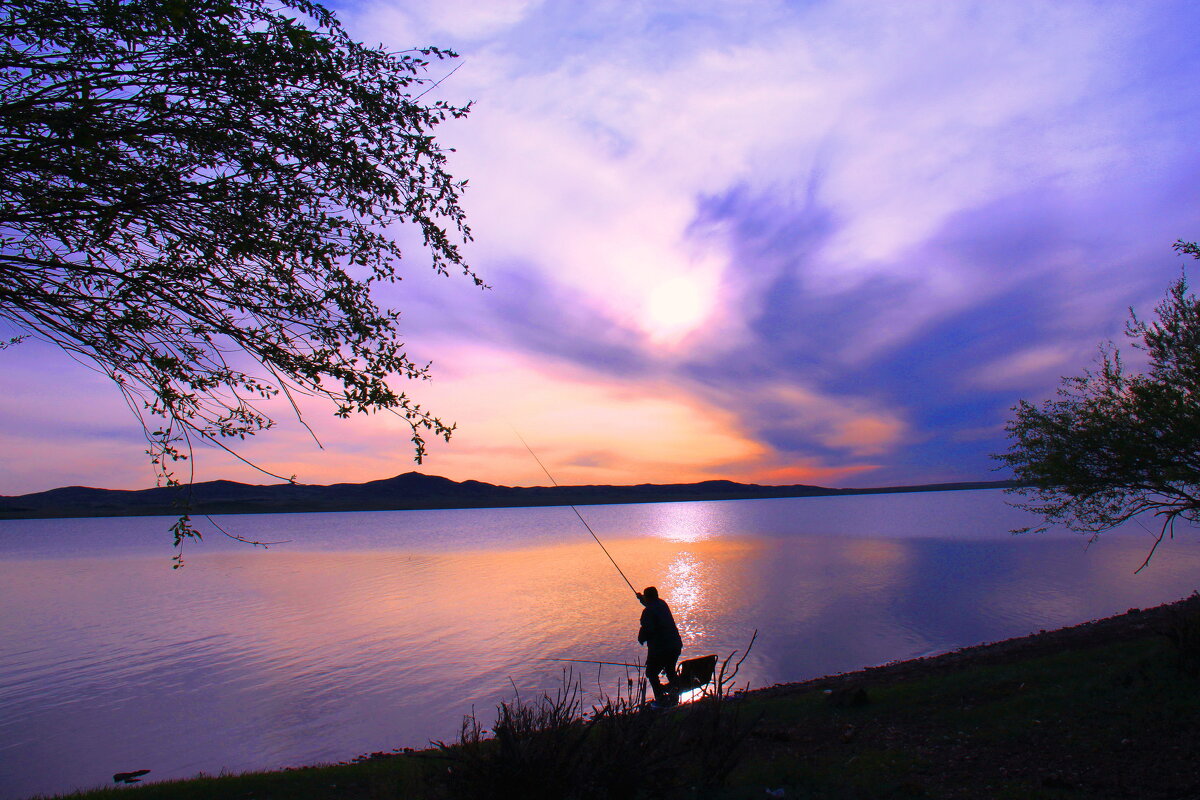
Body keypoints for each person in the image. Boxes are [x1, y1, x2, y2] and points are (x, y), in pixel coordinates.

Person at [636, 585, 682, 706]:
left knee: (651, 673)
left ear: (648, 597)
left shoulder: (648, 611)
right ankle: (675, 695)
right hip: (675, 645)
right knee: (670, 670)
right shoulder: (662, 604)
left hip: (661, 649)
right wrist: (642, 599)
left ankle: (660, 698)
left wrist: (641, 638)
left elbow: (648, 630)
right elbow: (652, 607)